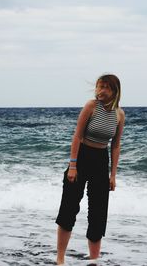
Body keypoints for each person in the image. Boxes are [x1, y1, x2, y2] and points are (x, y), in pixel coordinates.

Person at [55, 74, 125, 265]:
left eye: (106, 88)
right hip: (82, 157)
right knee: (69, 208)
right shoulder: (91, 107)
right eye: (99, 87)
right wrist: (73, 166)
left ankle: (94, 260)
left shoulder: (119, 114)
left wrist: (113, 175)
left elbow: (116, 145)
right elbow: (77, 136)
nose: (101, 91)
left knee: (98, 212)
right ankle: (60, 258)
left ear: (115, 91)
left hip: (101, 161)